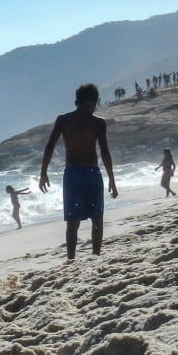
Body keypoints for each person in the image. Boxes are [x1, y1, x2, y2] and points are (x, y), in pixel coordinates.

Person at [39, 83, 119, 259]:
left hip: (72, 174)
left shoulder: (63, 120)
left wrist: (43, 172)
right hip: (91, 173)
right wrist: (112, 178)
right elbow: (104, 152)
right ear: (92, 101)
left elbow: (49, 147)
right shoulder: (98, 123)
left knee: (72, 221)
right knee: (96, 218)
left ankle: (71, 259)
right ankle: (96, 256)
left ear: (78, 101)